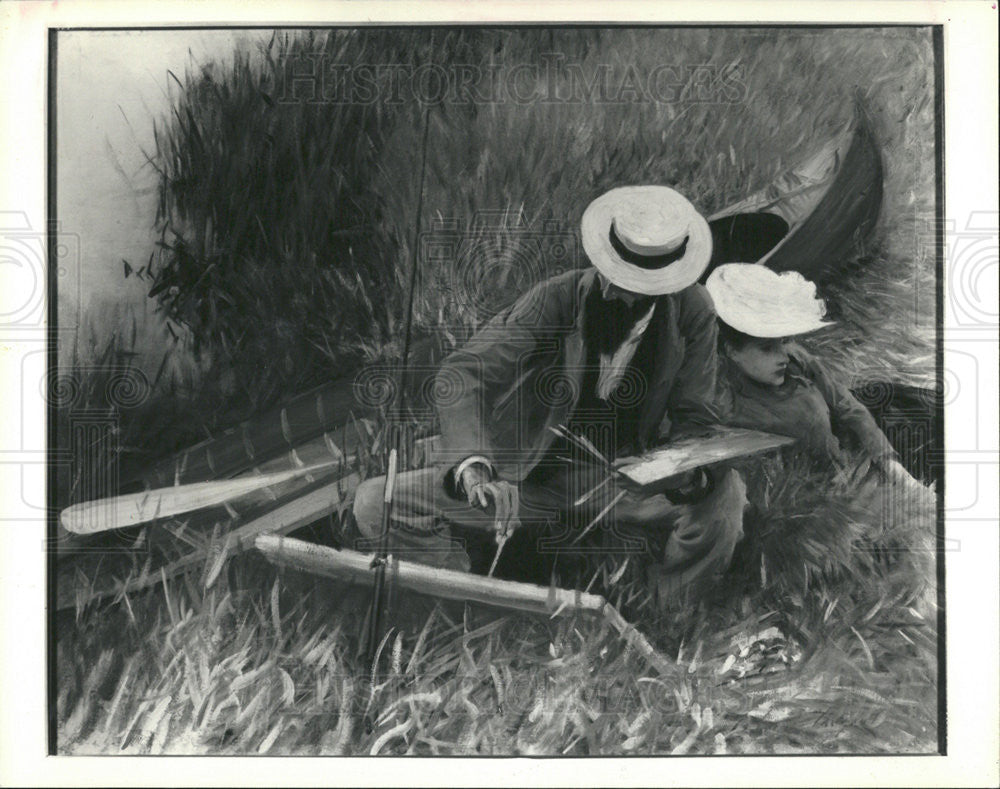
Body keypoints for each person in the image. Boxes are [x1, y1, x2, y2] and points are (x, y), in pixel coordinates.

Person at [354, 186, 746, 602]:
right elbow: (465, 370)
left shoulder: (693, 312)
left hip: (622, 484)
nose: (618, 292)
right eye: (616, 275)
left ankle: (670, 613)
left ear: (668, 281)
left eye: (639, 283)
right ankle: (469, 595)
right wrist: (475, 467)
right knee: (375, 501)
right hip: (527, 475)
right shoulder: (556, 297)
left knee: (728, 497)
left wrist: (682, 474)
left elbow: (698, 414)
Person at [704, 263, 921, 488]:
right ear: (732, 352)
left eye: (784, 341)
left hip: (853, 454)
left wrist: (892, 466)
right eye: (767, 348)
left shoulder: (796, 359)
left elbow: (847, 405)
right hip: (817, 493)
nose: (783, 356)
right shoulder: (722, 402)